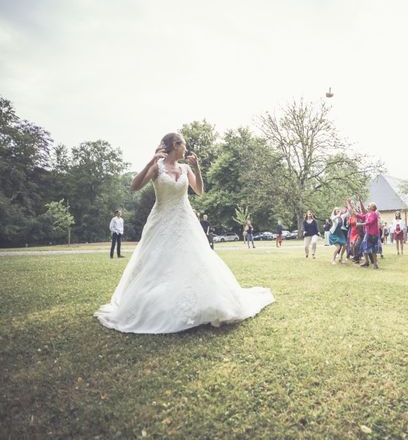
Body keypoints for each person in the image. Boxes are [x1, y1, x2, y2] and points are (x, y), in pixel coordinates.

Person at [94, 132, 274, 334]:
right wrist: (150, 161)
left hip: (185, 220)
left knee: (195, 259)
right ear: (174, 145)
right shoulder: (157, 167)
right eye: (183, 145)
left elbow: (199, 191)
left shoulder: (186, 168)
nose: (186, 149)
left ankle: (204, 304)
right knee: (158, 263)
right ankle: (160, 304)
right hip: (161, 220)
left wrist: (196, 168)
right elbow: (134, 186)